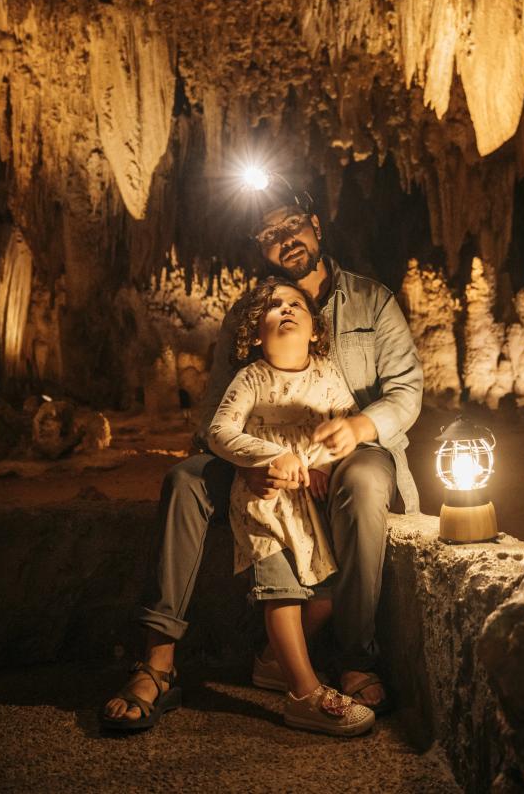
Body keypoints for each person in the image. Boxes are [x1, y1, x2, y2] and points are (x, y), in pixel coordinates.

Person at [101, 177, 422, 731]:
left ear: (315, 225)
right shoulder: (251, 314)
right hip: (261, 461)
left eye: (291, 225)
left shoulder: (372, 300)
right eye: (269, 234)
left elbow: (408, 390)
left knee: (366, 482)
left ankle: (354, 658)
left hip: (351, 453)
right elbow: (216, 417)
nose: (284, 239)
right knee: (184, 480)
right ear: (261, 247)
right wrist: (254, 461)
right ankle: (157, 662)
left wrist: (363, 424)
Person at [208, 277, 374, 735]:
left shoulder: (326, 373)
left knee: (322, 597)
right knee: (281, 588)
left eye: (295, 303)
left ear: (316, 329)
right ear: (256, 333)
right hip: (262, 502)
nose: (285, 309)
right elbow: (219, 432)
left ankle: (270, 662)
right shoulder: (252, 378)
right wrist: (268, 455)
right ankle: (303, 693)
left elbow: (342, 424)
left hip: (305, 507)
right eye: (273, 305)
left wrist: (320, 461)